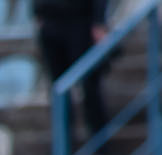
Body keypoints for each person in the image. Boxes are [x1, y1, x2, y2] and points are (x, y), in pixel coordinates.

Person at [32, 0, 109, 141]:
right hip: (50, 22)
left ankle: (100, 142)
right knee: (58, 89)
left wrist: (99, 21)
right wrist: (37, 12)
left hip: (80, 21)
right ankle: (64, 144)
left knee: (89, 84)